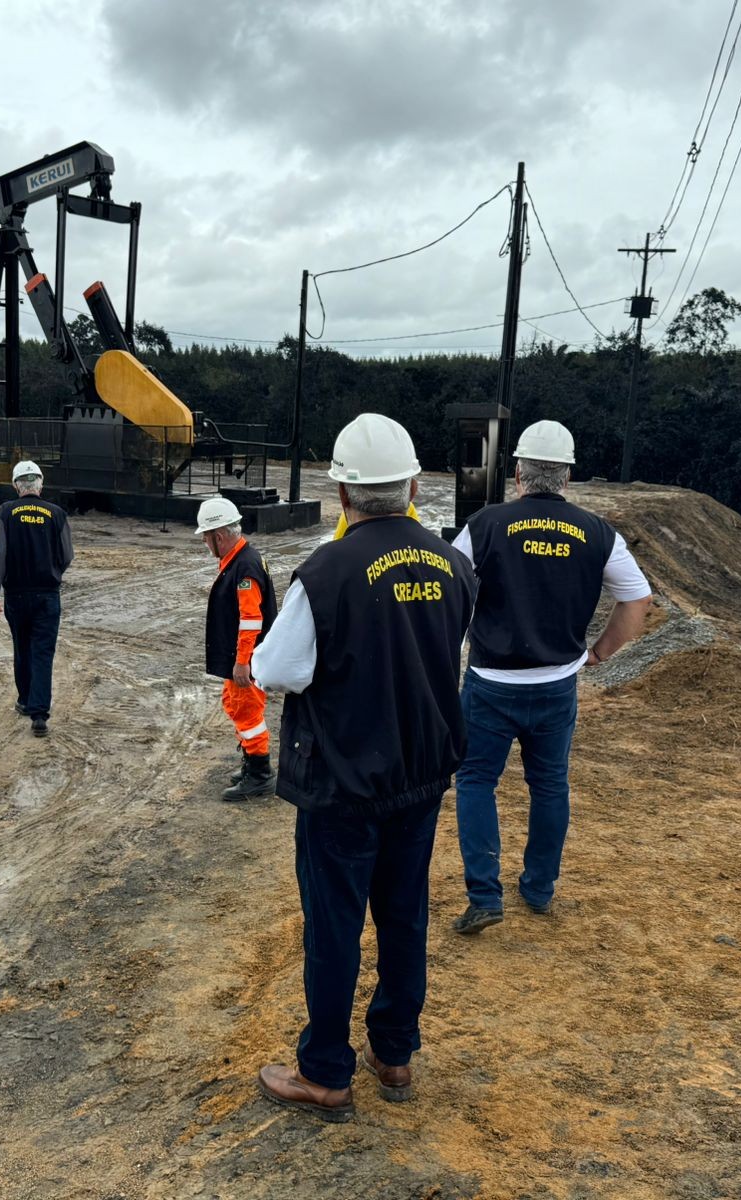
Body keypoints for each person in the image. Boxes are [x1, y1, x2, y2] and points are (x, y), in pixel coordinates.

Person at [251, 413, 476, 1121]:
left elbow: (279, 668)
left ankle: (324, 1073)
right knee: (404, 916)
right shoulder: (455, 564)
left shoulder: (327, 570)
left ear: (342, 493)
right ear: (412, 484)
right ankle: (395, 1052)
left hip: (343, 785)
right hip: (420, 775)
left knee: (334, 927)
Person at [449, 420, 652, 936]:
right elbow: (637, 599)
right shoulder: (598, 533)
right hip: (556, 685)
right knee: (549, 786)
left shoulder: (487, 524)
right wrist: (600, 653)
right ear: (567, 475)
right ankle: (538, 889)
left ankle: (484, 896)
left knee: (475, 782)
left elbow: (447, 586)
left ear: (517, 472)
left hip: (491, 682)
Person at [197, 496, 278, 800]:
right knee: (235, 704)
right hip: (243, 657)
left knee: (247, 710)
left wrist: (243, 661)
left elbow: (251, 620)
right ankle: (253, 761)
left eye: (206, 537)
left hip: (247, 659)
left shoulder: (244, 568)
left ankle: (259, 773)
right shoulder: (241, 560)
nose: (205, 543)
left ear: (219, 536)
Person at [0, 461, 73, 736]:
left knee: (22, 647)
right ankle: (39, 715)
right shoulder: (56, 513)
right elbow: (67, 554)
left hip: (17, 595)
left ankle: (24, 700)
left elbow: (0, 554)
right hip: (47, 595)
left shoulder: (7, 513)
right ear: (40, 484)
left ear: (15, 485)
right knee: (42, 652)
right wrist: (52, 570)